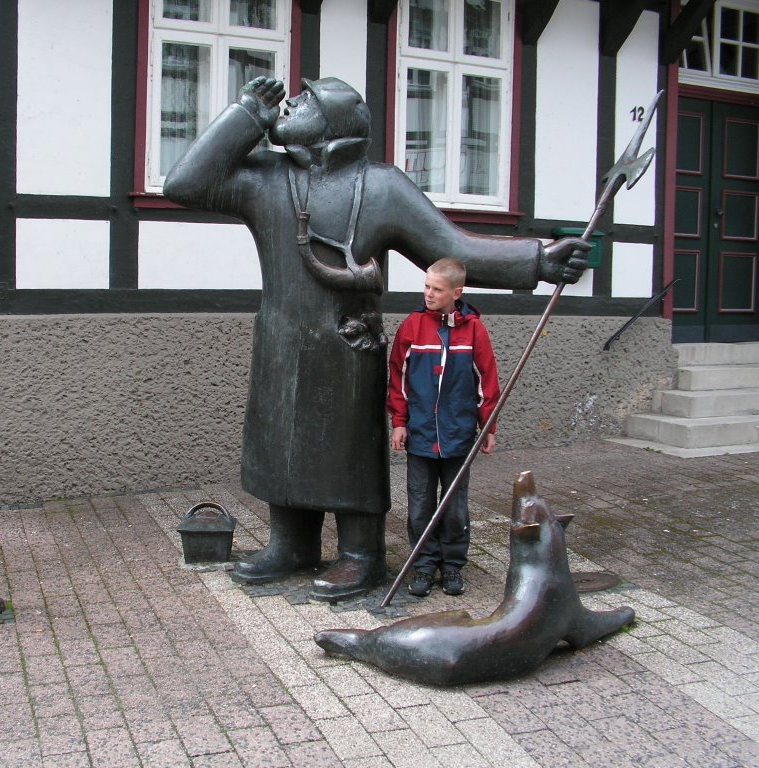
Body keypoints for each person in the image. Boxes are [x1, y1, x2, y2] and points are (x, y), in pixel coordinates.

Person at [163, 76, 588, 602]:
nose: (289, 102)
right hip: (279, 340)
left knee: (346, 449)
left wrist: (539, 260)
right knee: (280, 441)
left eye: (306, 100)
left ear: (334, 124)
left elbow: (451, 246)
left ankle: (360, 554)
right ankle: (291, 544)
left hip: (347, 345)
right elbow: (183, 184)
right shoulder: (264, 178)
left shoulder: (381, 186)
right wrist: (246, 114)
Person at [387, 258, 498, 597]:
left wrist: (488, 426)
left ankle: (452, 566)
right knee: (420, 504)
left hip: (458, 435)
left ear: (456, 292)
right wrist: (399, 422)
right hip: (419, 434)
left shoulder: (475, 330)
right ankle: (422, 566)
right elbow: (398, 379)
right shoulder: (412, 326)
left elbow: (487, 381)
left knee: (454, 505)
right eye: (426, 287)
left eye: (436, 289)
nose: (429, 294)